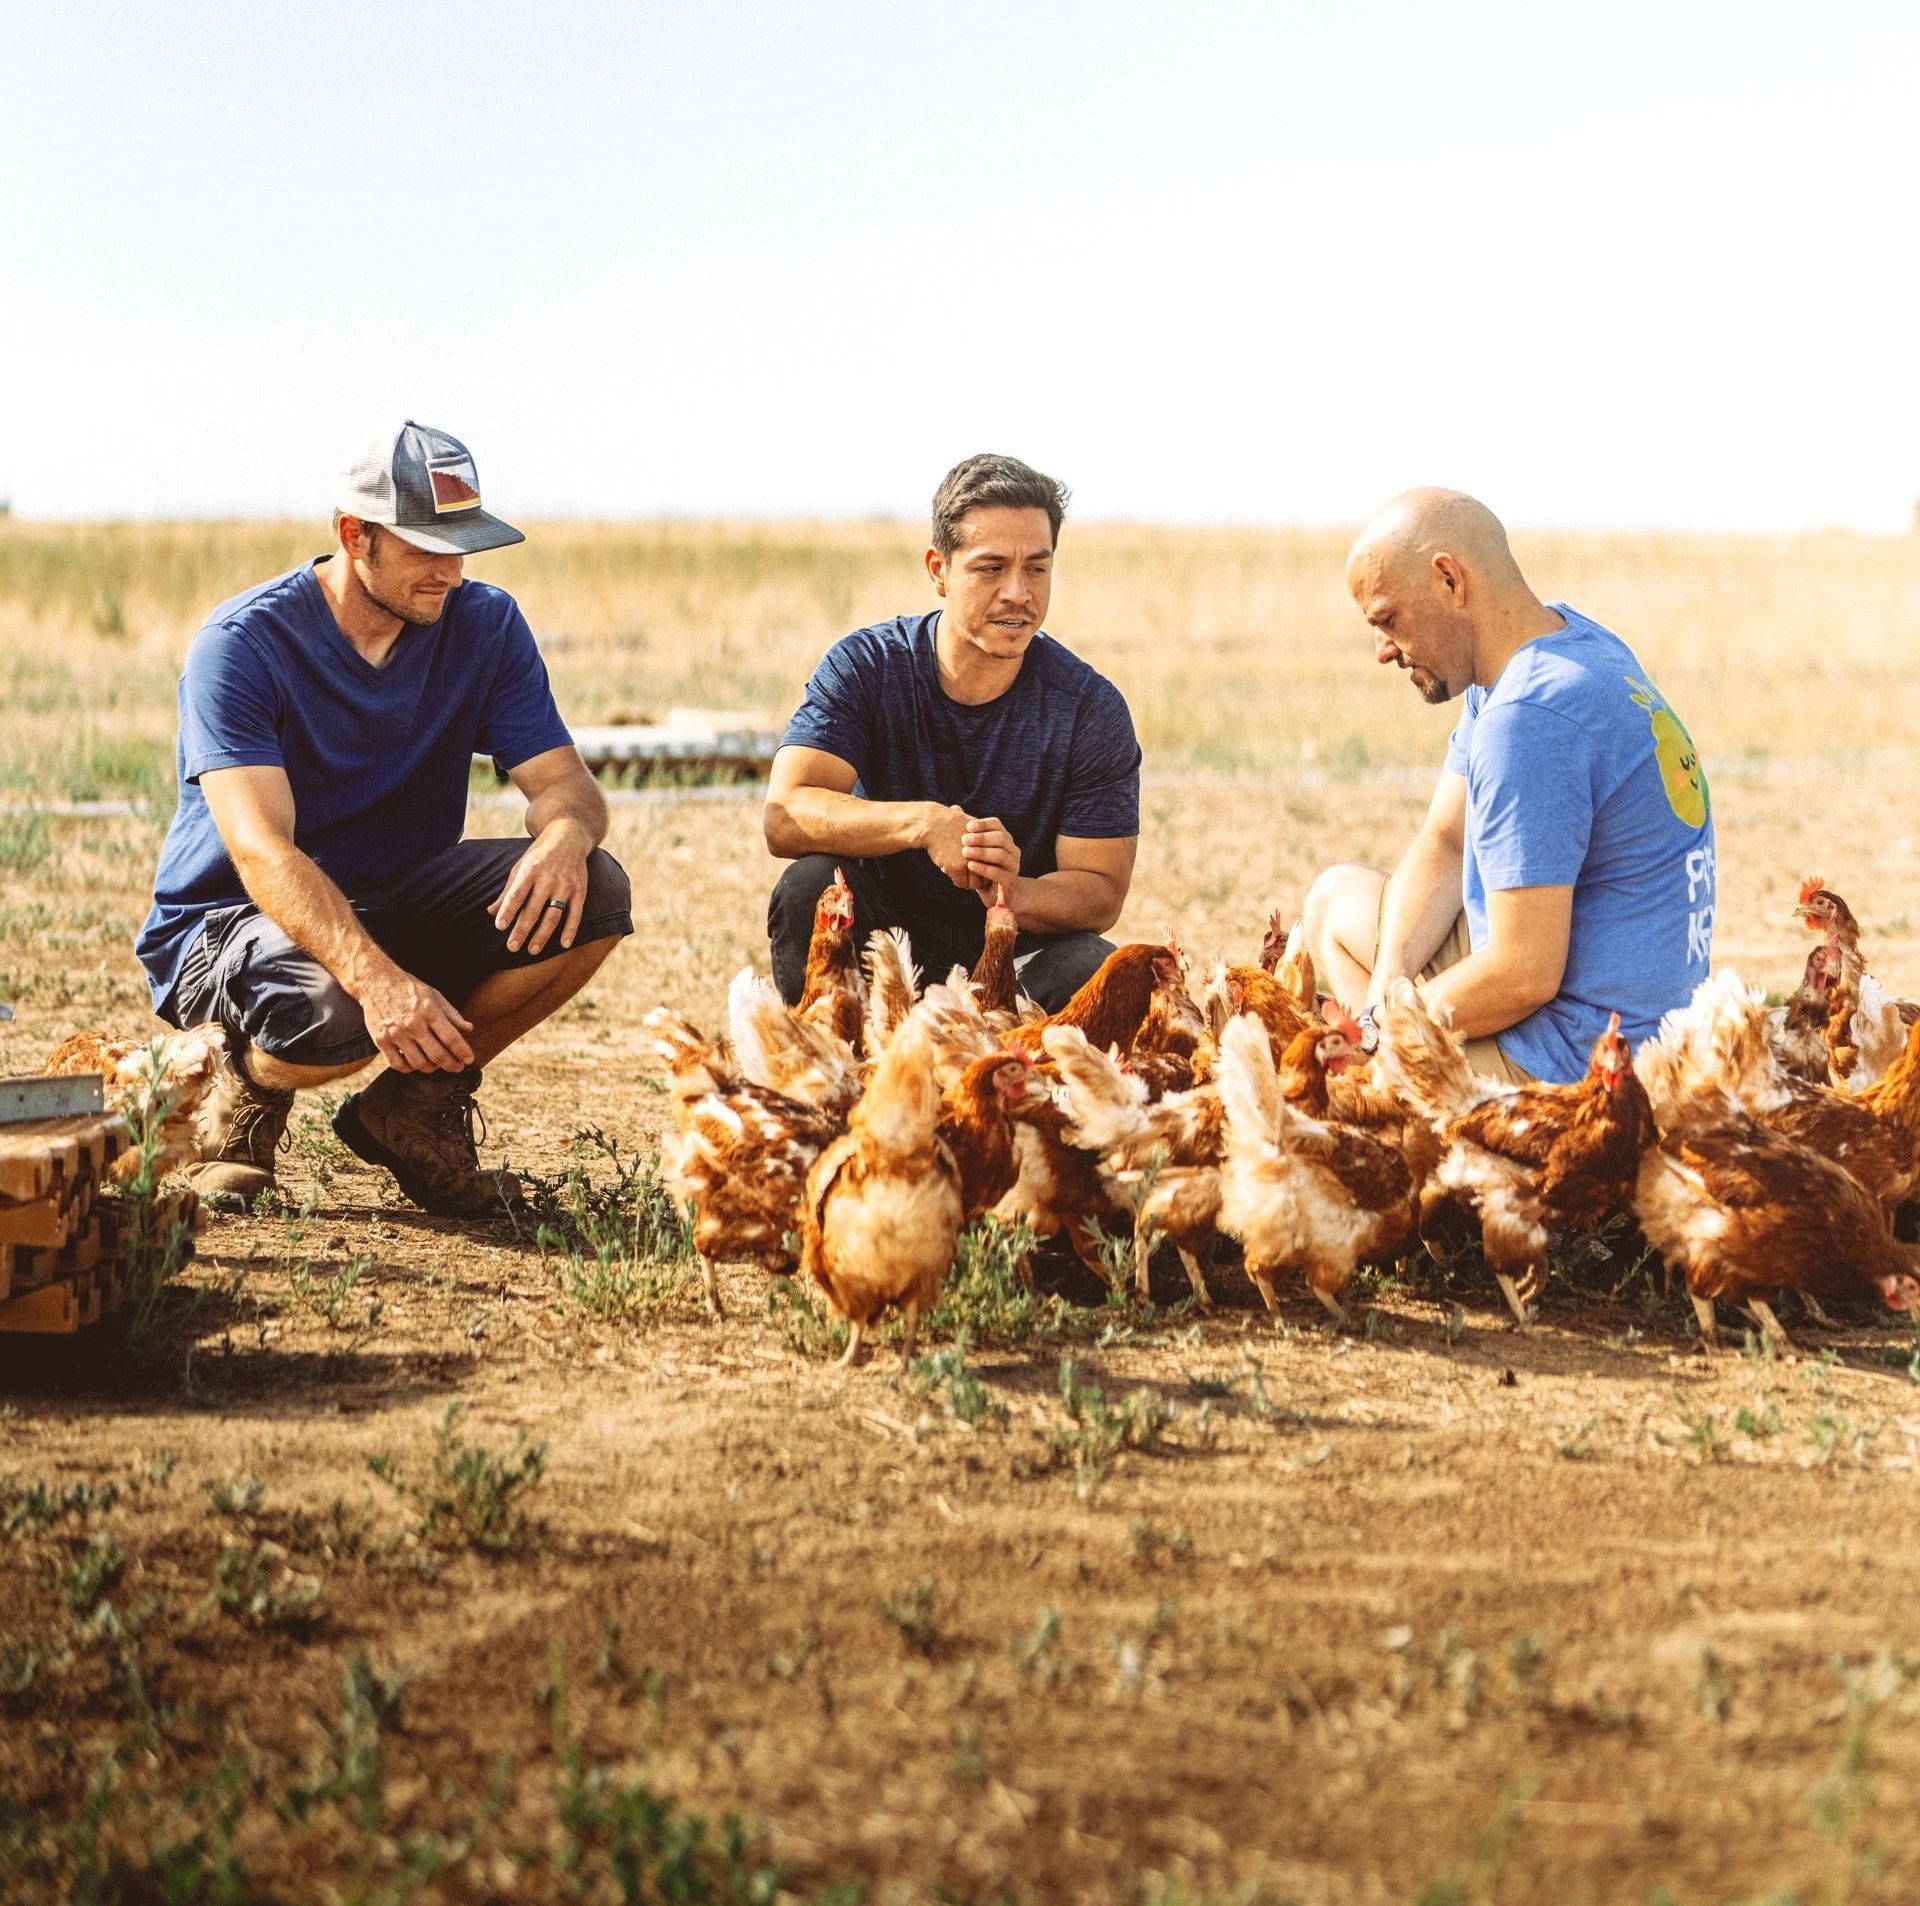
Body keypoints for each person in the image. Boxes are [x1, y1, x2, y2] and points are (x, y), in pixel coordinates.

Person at [136, 420, 632, 1215]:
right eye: (425, 548)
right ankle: (244, 1096)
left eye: (462, 545)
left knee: (596, 894)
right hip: (230, 922)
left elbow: (565, 785)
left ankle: (412, 1106)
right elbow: (262, 852)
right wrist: (378, 982)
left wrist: (569, 836)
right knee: (332, 1010)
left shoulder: (486, 625)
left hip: (392, 894)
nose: (450, 571)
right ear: (353, 535)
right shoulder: (241, 646)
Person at [1298, 487, 1715, 1085]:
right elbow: (1445, 840)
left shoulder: (1529, 718)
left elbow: (1524, 973)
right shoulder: (1564, 646)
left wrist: (1388, 1037)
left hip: (1583, 1063)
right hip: (1637, 1009)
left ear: (1449, 580)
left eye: (1388, 619)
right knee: (1333, 903)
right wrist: (1380, 1008)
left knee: (1358, 1084)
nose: (1382, 650)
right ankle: (1395, 1069)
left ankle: (1403, 1094)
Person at [763, 454, 1142, 1010]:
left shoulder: (1090, 708)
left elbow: (1101, 891)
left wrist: (1015, 891)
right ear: (939, 570)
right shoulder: (868, 666)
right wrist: (926, 824)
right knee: (809, 887)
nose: (1019, 593)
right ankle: (839, 1071)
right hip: (883, 939)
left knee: (1095, 967)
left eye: (1037, 568)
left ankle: (999, 1085)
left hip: (1011, 953)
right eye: (991, 569)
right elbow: (785, 815)